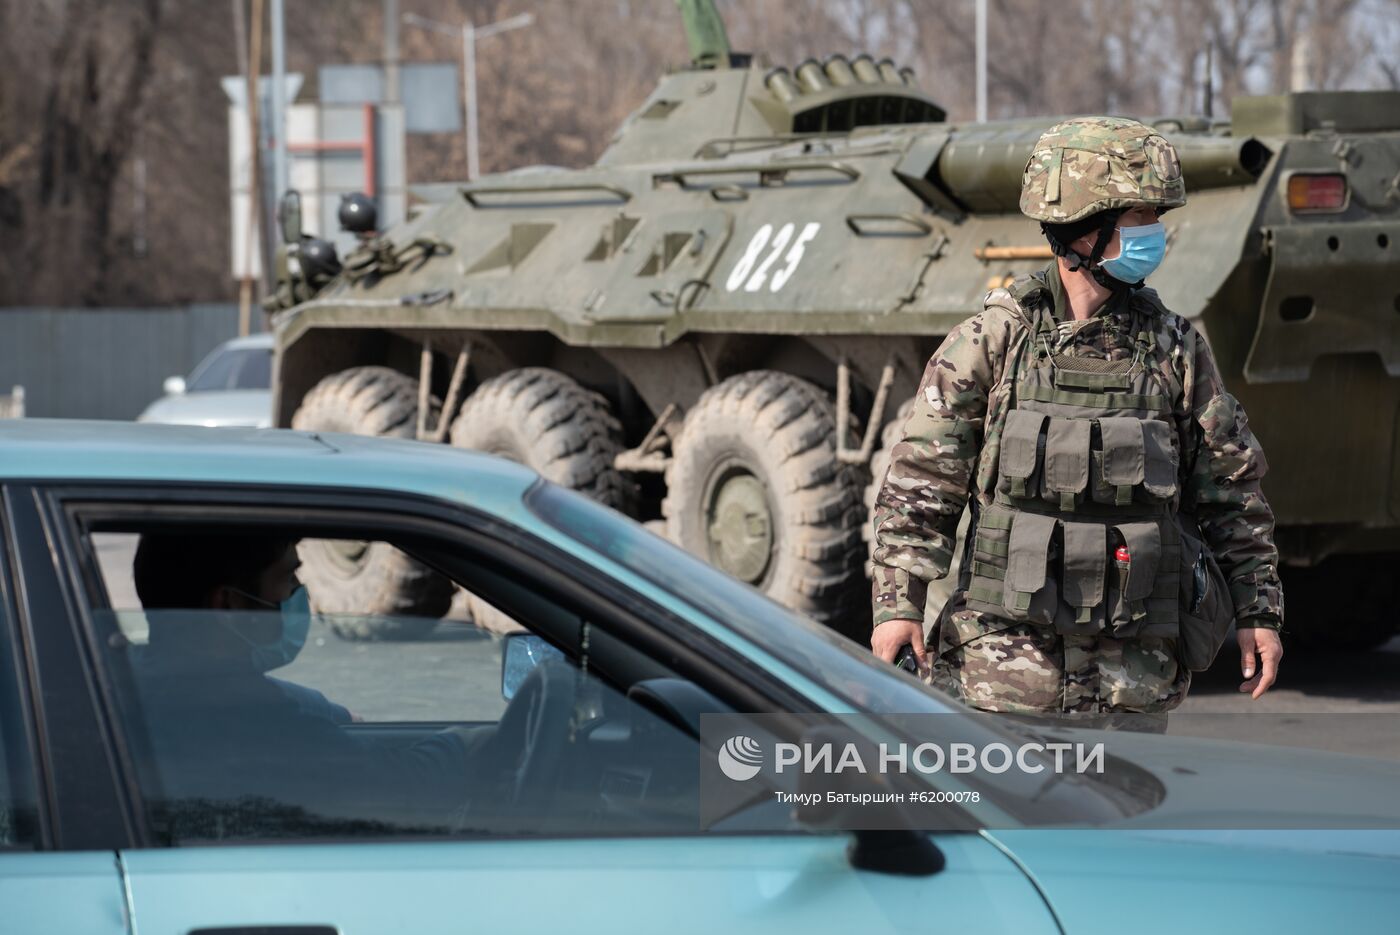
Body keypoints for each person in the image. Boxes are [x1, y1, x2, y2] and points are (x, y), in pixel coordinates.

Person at [869, 117, 1284, 723]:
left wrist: (1258, 610)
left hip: (1132, 682)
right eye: (1139, 218)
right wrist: (896, 608)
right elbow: (920, 489)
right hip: (1003, 678)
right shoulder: (992, 342)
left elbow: (1232, 494)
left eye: (1155, 218)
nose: (1155, 234)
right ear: (1082, 228)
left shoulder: (1176, 350)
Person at [127, 532, 478, 834]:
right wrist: (465, 747)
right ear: (228, 604)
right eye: (287, 579)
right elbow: (397, 792)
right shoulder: (259, 730)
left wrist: (329, 714)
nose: (298, 594)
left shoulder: (134, 687)